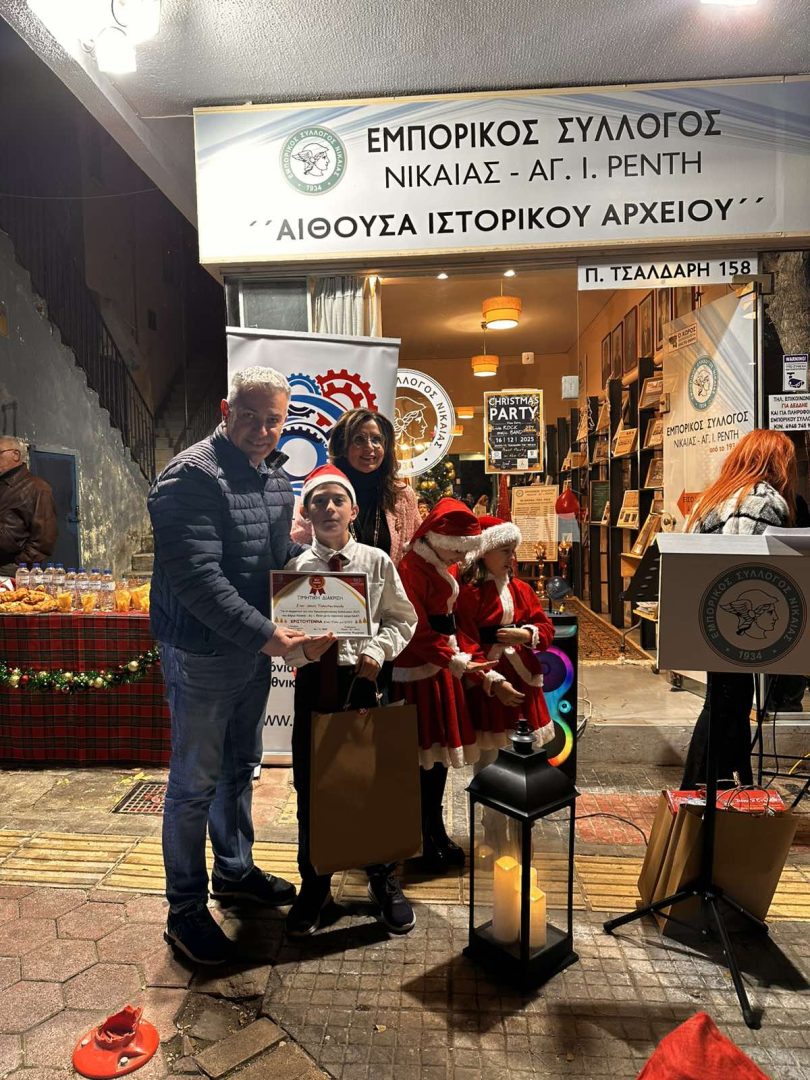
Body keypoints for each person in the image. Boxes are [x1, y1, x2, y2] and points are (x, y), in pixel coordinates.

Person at [148, 366, 313, 965]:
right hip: (202, 653)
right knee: (194, 783)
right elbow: (198, 578)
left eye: (274, 420)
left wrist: (325, 568)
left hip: (248, 649)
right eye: (250, 416)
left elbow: (275, 556)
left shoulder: (272, 476)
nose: (263, 430)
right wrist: (267, 634)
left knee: (240, 766)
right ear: (226, 409)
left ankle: (235, 872)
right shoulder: (191, 476)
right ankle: (185, 909)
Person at [283, 464, 418, 936]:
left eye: (337, 500)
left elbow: (403, 618)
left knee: (374, 783)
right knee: (313, 786)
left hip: (366, 682)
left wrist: (377, 650)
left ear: (354, 510)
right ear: (306, 512)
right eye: (318, 501)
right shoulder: (296, 571)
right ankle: (315, 884)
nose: (328, 508)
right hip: (315, 687)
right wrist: (302, 651)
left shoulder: (376, 562)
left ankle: (383, 880)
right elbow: (283, 639)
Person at [680, 429, 797, 789]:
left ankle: (725, 787)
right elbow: (746, 568)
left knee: (726, 699)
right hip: (736, 620)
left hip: (709, 615)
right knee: (726, 702)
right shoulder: (762, 499)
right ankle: (698, 791)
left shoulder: (714, 497)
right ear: (775, 462)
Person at [393, 498, 495, 872]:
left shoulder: (442, 562)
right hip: (418, 669)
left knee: (438, 759)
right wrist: (453, 658)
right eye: (456, 547)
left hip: (441, 665)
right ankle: (419, 836)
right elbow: (414, 628)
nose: (461, 556)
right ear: (438, 538)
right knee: (421, 758)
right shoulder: (410, 568)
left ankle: (434, 829)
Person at [457, 516, 556, 757]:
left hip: (522, 677)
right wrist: (493, 682)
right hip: (488, 680)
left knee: (526, 750)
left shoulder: (521, 589)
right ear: (484, 552)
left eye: (513, 551)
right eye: (504, 551)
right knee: (490, 755)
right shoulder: (470, 593)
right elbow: (465, 641)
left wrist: (525, 634)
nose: (511, 558)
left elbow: (546, 627)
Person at [291, 408, 421, 565]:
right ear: (342, 446)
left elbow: (418, 549)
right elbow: (298, 544)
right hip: (330, 580)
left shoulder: (402, 495)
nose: (369, 447)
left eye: (377, 440)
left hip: (386, 580)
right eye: (359, 440)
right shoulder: (320, 490)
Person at [0, 436, 57, 576]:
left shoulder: (38, 488)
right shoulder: (3, 486)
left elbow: (45, 538)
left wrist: (20, 565)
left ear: (16, 455)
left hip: (11, 569)